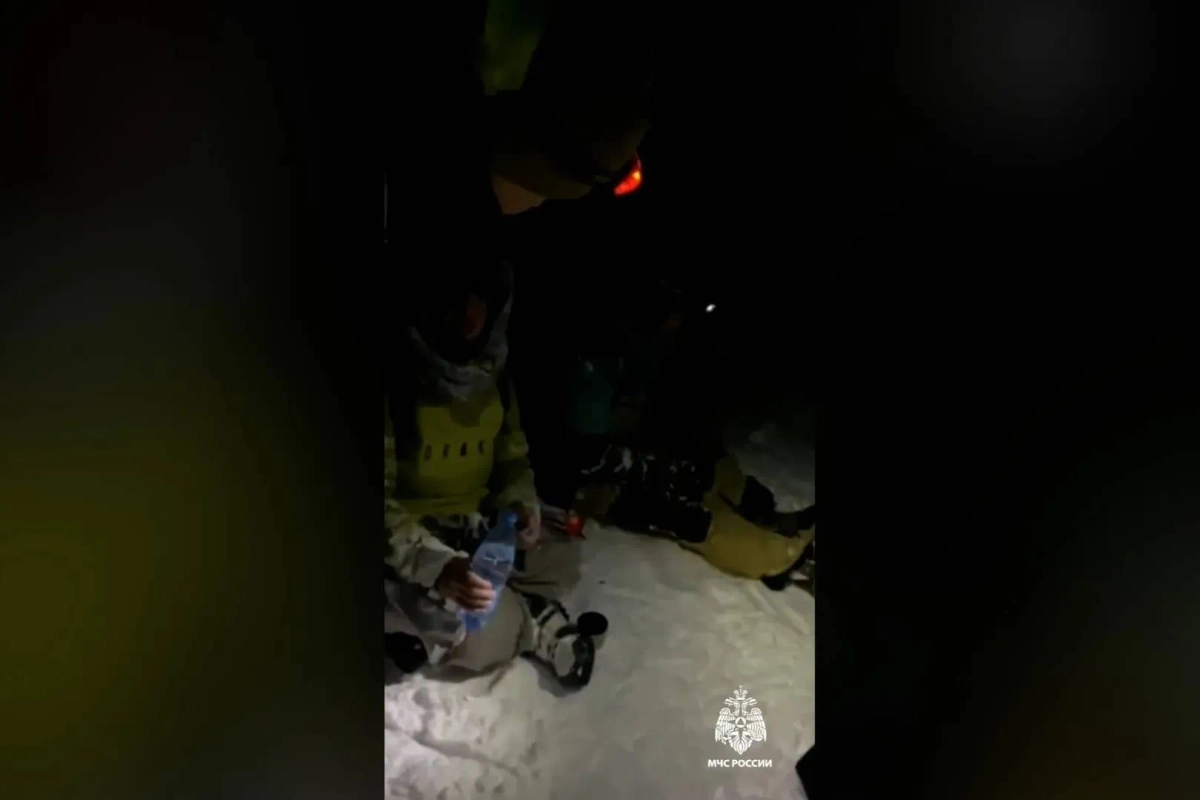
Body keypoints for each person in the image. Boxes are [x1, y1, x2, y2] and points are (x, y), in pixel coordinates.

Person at [383, 0, 653, 689]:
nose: (471, 316)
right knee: (471, 625)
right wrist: (434, 562)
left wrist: (520, 506)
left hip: (471, 529)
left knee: (558, 552)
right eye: (457, 301)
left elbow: (511, 453)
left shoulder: (490, 367)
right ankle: (530, 626)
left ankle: (517, 609)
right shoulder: (397, 372)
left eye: (483, 300)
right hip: (415, 542)